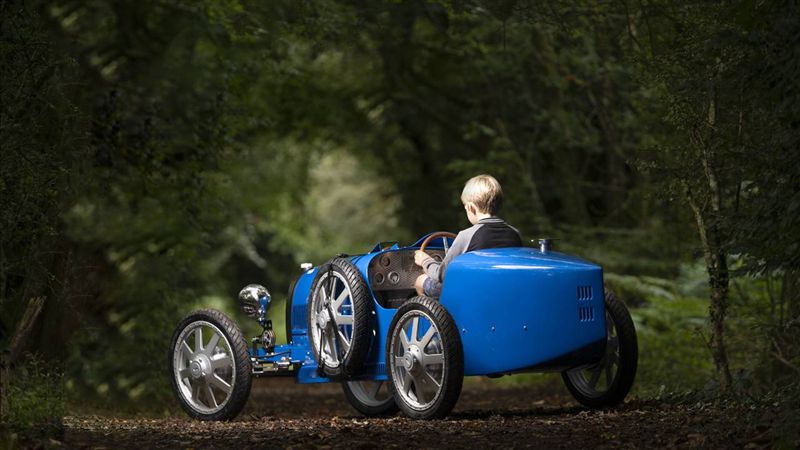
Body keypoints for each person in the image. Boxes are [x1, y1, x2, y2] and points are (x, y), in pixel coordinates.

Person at [414, 174, 522, 298]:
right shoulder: (515, 233)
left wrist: (425, 261)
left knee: (420, 281)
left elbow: (442, 275)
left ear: (471, 208)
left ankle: (434, 316)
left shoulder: (466, 236)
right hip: (505, 291)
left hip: (472, 293)